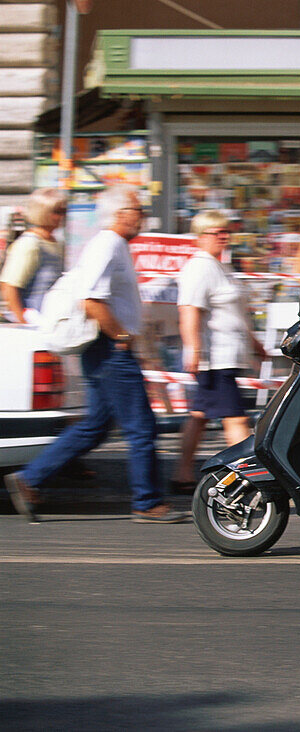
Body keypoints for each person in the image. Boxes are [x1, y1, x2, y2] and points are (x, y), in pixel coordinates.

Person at [4, 185, 188, 523]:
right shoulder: (107, 245)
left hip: (105, 347)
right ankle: (147, 502)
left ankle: (28, 479)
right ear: (120, 215)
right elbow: (91, 300)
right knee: (141, 426)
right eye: (137, 209)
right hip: (109, 348)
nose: (142, 216)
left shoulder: (112, 246)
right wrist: (120, 337)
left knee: (96, 425)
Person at [169, 211, 266, 494]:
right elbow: (189, 311)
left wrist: (254, 342)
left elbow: (235, 312)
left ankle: (182, 474)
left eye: (226, 231)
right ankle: (249, 476)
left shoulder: (220, 266)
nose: (223, 237)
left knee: (199, 415)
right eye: (216, 232)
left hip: (226, 355)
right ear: (200, 236)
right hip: (216, 358)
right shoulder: (199, 267)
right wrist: (194, 351)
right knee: (235, 418)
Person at [1, 188, 67, 324]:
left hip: (50, 323)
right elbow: (9, 286)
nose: (62, 216)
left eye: (64, 211)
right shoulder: (30, 243)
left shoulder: (56, 242)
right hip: (33, 324)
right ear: (43, 212)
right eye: (57, 212)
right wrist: (24, 323)